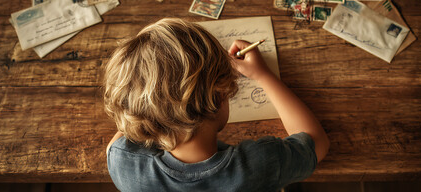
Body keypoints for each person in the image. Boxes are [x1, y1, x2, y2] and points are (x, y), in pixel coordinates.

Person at [104, 18, 330, 192]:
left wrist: (148, 98)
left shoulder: (124, 163)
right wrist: (263, 75)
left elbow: (118, 142)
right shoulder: (259, 165)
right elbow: (316, 142)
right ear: (220, 96)